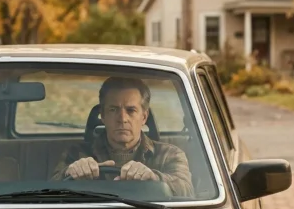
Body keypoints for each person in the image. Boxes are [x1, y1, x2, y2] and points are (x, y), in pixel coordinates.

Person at [52, 77, 194, 197]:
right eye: (113, 110)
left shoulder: (169, 154)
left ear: (144, 117)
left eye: (131, 110)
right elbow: (50, 189)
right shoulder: (77, 153)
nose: (122, 118)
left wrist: (154, 178)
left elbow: (187, 190)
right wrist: (70, 173)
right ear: (102, 115)